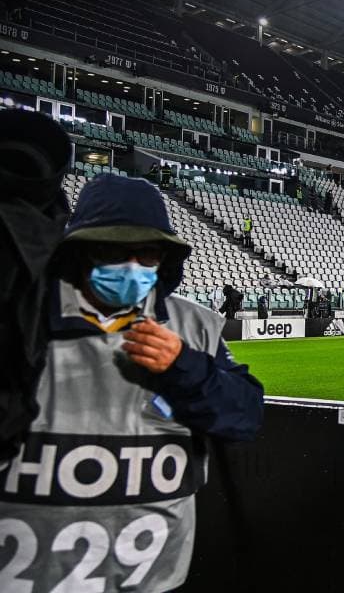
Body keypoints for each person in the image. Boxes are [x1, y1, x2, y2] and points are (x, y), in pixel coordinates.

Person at [0, 173, 264, 592]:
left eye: (147, 254)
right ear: (80, 251)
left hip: (153, 580)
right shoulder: (19, 315)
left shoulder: (194, 325)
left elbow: (244, 416)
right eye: (114, 251)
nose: (133, 267)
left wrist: (184, 366)